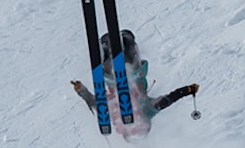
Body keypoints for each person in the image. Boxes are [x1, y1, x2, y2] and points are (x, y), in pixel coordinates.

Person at [71, 29, 199, 138]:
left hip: (113, 78)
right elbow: (169, 99)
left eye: (132, 129)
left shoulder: (114, 116)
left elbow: (96, 104)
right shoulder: (148, 110)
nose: (136, 124)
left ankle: (104, 49)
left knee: (112, 62)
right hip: (133, 74)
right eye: (140, 126)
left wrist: (81, 90)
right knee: (129, 55)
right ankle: (122, 41)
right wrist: (187, 90)